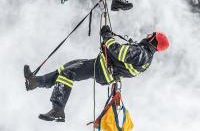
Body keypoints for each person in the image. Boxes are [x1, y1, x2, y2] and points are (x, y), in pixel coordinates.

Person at [24, 25, 169, 122]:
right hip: (101, 65)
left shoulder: (142, 53)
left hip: (103, 70)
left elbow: (119, 53)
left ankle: (58, 110)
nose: (148, 34)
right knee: (68, 67)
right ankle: (36, 82)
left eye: (151, 35)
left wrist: (107, 37)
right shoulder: (143, 53)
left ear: (153, 40)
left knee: (68, 73)